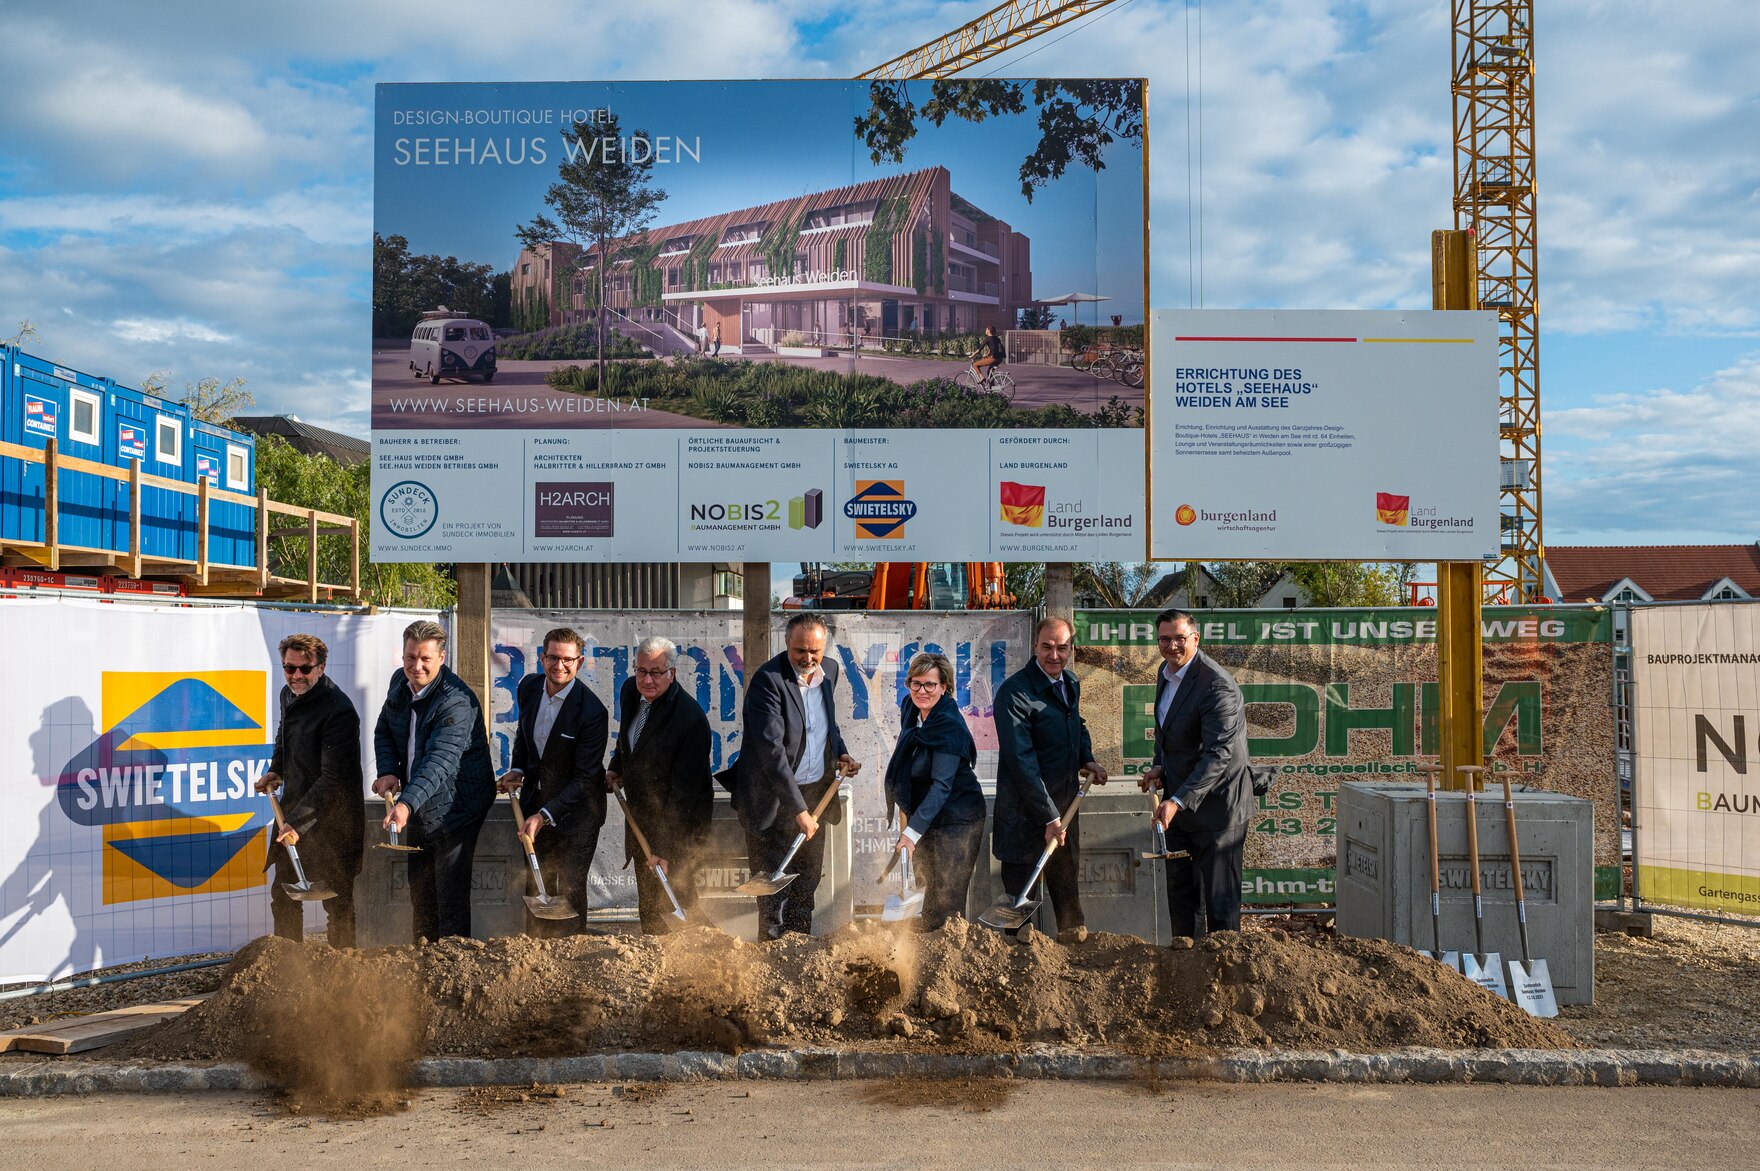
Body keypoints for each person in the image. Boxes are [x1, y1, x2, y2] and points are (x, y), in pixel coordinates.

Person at [731, 612, 861, 938]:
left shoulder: (829, 671)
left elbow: (826, 723)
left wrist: (840, 750)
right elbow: (771, 753)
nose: (808, 658)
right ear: (787, 643)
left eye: (815, 651)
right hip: (772, 801)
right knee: (773, 894)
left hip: (815, 793)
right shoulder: (768, 681)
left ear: (824, 648)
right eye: (800, 651)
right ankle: (771, 958)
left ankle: (800, 954)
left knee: (807, 881)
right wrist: (798, 809)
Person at [372, 619, 496, 942]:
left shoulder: (456, 700)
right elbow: (384, 728)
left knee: (450, 893)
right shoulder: (399, 684)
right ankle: (424, 958)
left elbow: (438, 762)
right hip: (418, 801)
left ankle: (455, 965)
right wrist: (388, 769)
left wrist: (406, 804)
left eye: (425, 659)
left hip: (459, 806)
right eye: (411, 657)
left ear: (441, 658)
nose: (417, 666)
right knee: (421, 888)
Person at [1140, 607, 1255, 938]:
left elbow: (1219, 753)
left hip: (1219, 811)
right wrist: (1160, 766)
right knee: (1182, 898)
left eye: (1179, 638)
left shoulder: (1217, 685)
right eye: (1165, 639)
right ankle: (1186, 972)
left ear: (1195, 638)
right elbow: (1168, 734)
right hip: (1180, 807)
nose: (1172, 646)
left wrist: (1176, 799)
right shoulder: (1166, 673)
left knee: (1220, 910)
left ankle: (1225, 978)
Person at [993, 616, 1108, 942]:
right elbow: (1021, 761)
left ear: (1071, 648)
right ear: (1035, 647)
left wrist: (1087, 758)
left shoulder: (1069, 683)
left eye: (1062, 648)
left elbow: (1077, 724)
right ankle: (1015, 967)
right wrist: (1048, 816)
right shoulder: (1014, 693)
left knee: (1068, 900)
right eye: (1047, 647)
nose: (1054, 655)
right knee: (1018, 910)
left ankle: (1072, 966)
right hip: (1024, 816)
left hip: (1064, 812)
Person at [497, 627, 608, 935]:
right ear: (542, 658)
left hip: (578, 814)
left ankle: (572, 957)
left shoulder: (592, 711)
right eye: (553, 658)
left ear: (580, 662)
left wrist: (544, 816)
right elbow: (523, 731)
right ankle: (537, 957)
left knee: (570, 889)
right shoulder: (529, 687)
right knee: (538, 885)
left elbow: (586, 779)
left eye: (568, 660)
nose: (559, 666)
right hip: (536, 802)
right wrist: (518, 767)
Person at [255, 633, 363, 947]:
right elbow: (283, 737)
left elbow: (333, 780)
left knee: (338, 903)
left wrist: (296, 822)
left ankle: (344, 972)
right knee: (284, 895)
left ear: (321, 667)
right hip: (297, 811)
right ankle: (290, 970)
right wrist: (277, 769)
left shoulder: (338, 710)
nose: (297, 676)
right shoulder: (288, 696)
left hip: (334, 820)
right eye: (290, 669)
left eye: (305, 669)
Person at [607, 636, 714, 933]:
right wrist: (617, 768)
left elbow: (684, 796)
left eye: (656, 673)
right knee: (650, 905)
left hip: (680, 827)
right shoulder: (631, 691)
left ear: (672, 673)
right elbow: (629, 739)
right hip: (644, 818)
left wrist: (665, 850)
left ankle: (710, 953)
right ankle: (654, 961)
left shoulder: (690, 720)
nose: (647, 680)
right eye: (641, 671)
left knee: (677, 899)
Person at [884, 651, 984, 931]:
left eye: (930, 684)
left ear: (944, 687)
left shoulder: (948, 725)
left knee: (946, 900)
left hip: (958, 818)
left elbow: (942, 786)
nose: (922, 691)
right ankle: (924, 962)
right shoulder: (911, 709)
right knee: (926, 888)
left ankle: (950, 963)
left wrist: (911, 833)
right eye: (916, 683)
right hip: (927, 814)